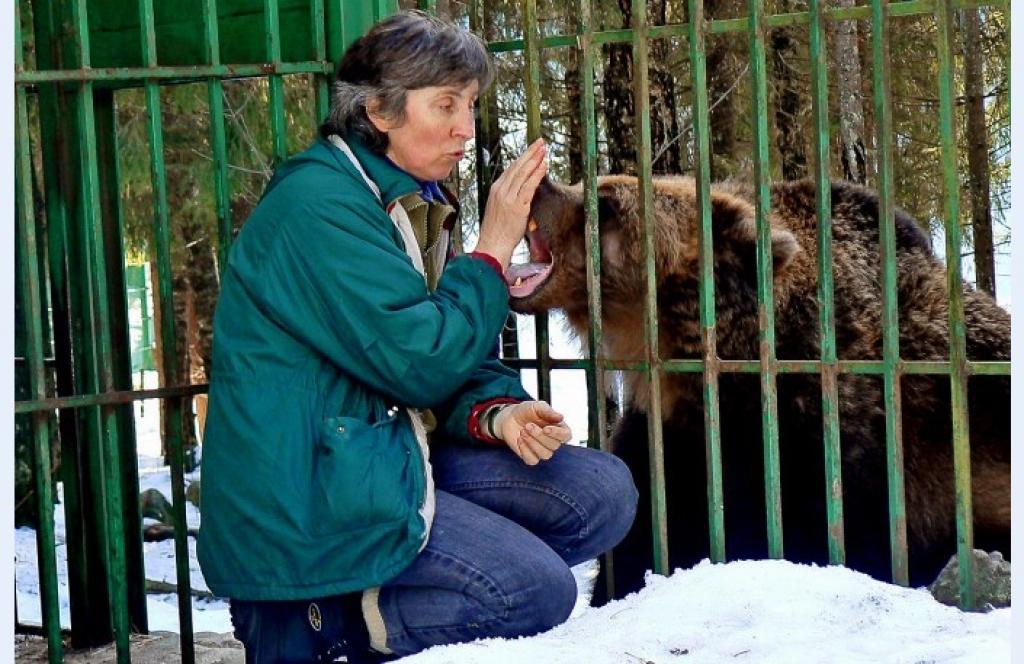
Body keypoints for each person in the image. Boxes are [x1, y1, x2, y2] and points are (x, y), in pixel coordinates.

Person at [198, 10, 637, 663]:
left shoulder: (412, 198)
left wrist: (499, 413)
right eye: (445, 104)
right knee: (534, 593)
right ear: (378, 111)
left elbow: (454, 351)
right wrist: (491, 251)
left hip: (378, 455)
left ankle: (408, 580)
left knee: (601, 494)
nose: (466, 125)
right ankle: (325, 621)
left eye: (471, 103)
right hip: (311, 501)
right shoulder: (318, 205)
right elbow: (421, 360)